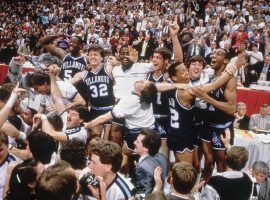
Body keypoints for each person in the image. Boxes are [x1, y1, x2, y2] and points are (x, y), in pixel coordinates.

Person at [133, 129, 169, 198]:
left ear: (146, 149)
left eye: (137, 142)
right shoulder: (163, 157)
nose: (134, 142)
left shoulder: (143, 168)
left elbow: (143, 197)